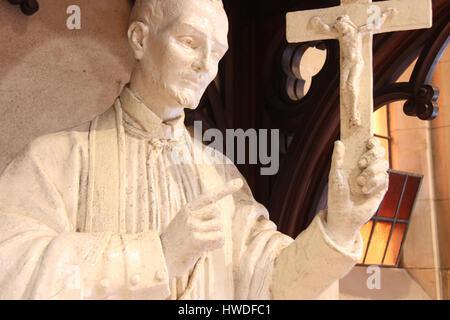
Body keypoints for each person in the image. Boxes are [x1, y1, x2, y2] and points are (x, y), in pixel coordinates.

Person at [0, 0, 388, 300]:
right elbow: (11, 269)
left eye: (218, 53)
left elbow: (269, 285)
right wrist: (157, 256)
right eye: (190, 42)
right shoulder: (56, 159)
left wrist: (339, 226)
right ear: (139, 39)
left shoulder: (219, 174)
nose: (206, 65)